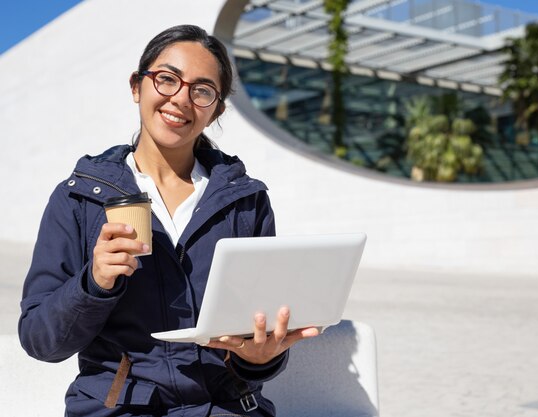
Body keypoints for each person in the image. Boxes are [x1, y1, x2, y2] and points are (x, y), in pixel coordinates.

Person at [18, 24, 319, 417]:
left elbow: (252, 344)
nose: (181, 99)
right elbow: (41, 341)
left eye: (202, 90)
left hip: (225, 407)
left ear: (217, 110)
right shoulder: (79, 198)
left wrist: (259, 358)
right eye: (167, 79)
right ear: (136, 86)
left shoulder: (247, 203)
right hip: (119, 408)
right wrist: (94, 282)